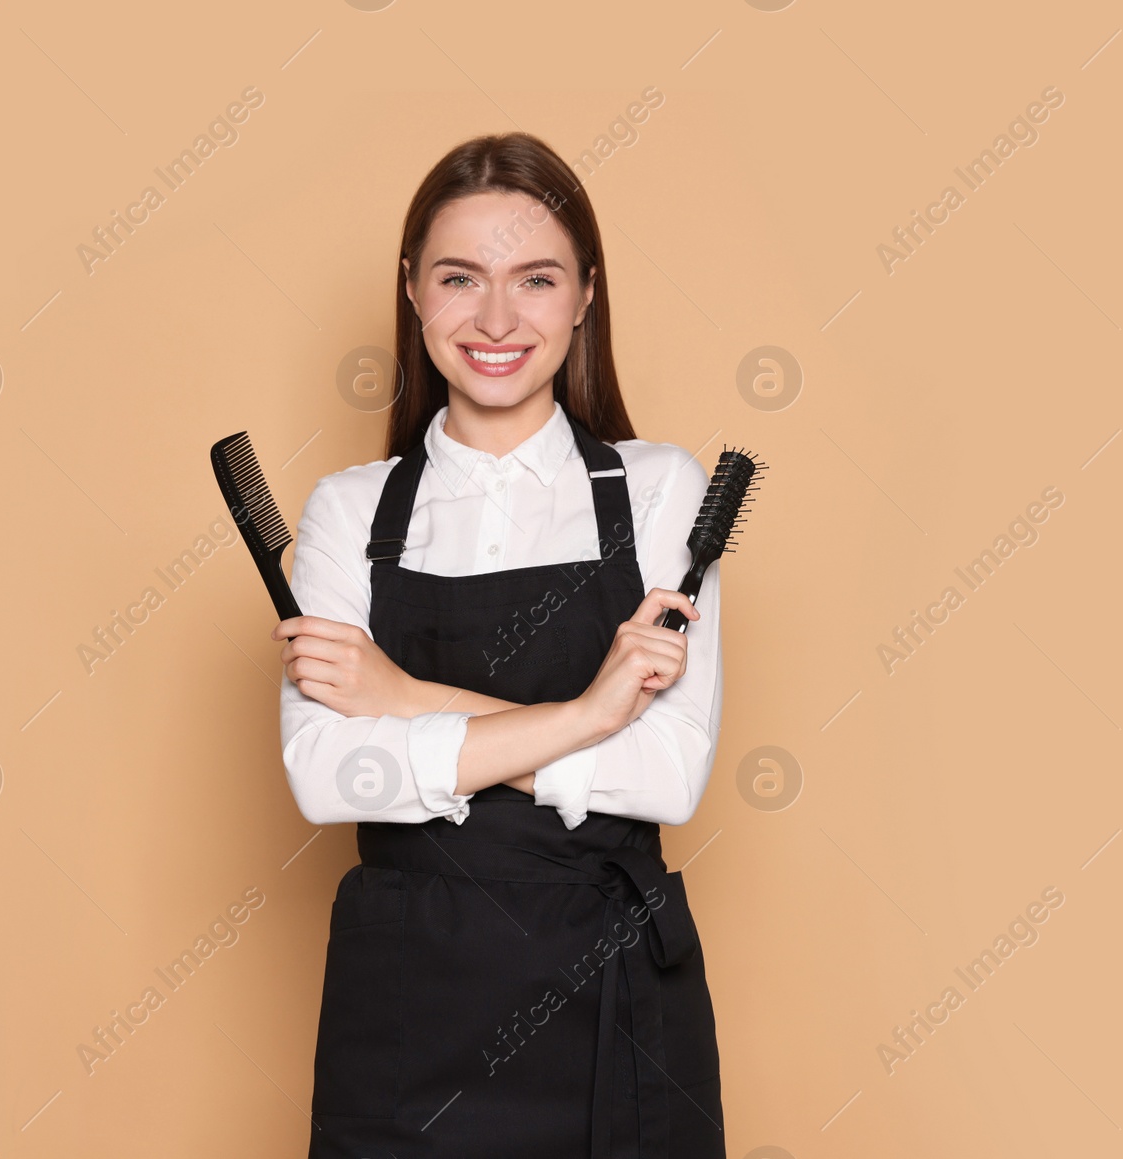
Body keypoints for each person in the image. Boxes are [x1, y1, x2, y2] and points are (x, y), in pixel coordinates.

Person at [272, 130, 726, 1158]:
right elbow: (326, 778)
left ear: (583, 295)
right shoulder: (348, 512)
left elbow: (664, 775)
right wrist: (582, 718)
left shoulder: (659, 492)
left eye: (535, 279)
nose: (494, 319)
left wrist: (397, 696)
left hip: (611, 1001)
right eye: (458, 278)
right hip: (401, 1010)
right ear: (412, 292)